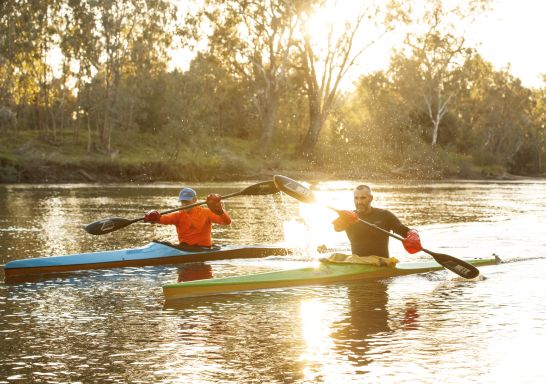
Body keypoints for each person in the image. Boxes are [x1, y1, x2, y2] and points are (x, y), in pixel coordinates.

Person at [332, 184, 422, 258]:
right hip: (358, 264)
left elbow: (405, 231)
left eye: (363, 198)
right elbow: (337, 228)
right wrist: (345, 220)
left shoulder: (385, 215)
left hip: (382, 264)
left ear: (370, 198)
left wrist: (413, 235)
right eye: (356, 198)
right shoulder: (348, 216)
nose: (359, 202)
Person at [143, 187, 231, 247]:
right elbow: (163, 219)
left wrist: (221, 212)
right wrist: (153, 217)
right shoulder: (178, 215)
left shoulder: (206, 212)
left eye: (187, 202)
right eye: (183, 202)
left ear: (195, 200)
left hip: (204, 249)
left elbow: (227, 222)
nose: (184, 204)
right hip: (185, 249)